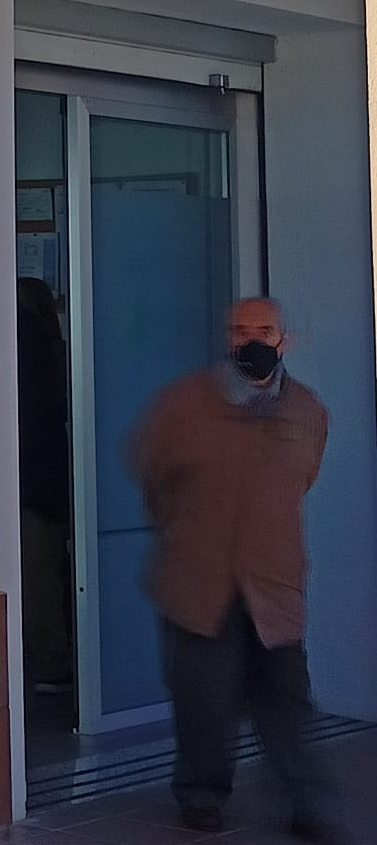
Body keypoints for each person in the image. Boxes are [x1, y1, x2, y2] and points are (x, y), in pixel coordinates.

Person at [133, 296, 337, 841]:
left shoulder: (308, 410)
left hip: (274, 585)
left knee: (288, 703)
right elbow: (152, 475)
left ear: (283, 340)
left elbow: (302, 481)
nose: (252, 339)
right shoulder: (182, 405)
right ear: (226, 338)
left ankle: (306, 802)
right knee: (204, 703)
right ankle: (201, 798)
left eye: (263, 329)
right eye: (240, 329)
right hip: (199, 583)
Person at [16, 276, 74, 695]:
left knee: (38, 579)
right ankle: (56, 661)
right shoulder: (54, 348)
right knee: (50, 573)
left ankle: (52, 663)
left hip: (31, 483)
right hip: (51, 479)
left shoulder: (21, 344)